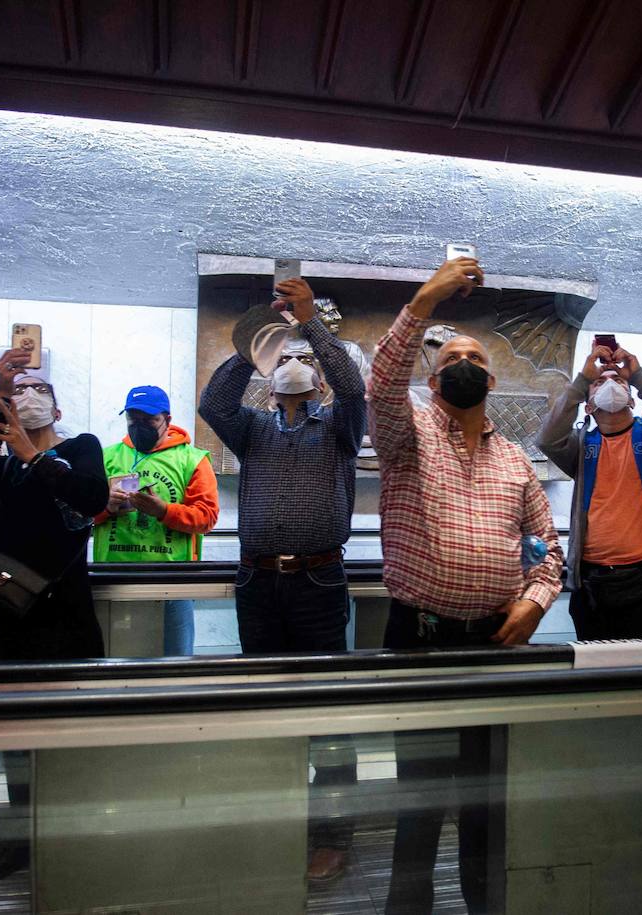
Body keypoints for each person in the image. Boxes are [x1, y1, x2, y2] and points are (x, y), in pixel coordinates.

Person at [369, 257, 564, 914]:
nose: (466, 361)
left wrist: (536, 601)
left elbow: (547, 550)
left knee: (486, 798)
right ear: (433, 374)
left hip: (494, 644)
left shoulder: (515, 459)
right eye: (452, 354)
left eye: (476, 355)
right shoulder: (407, 431)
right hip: (419, 641)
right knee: (418, 802)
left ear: (491, 376)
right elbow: (381, 384)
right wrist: (426, 299)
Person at [199, 275, 366, 883]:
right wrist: (253, 347)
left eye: (304, 361)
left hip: (319, 581)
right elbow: (214, 405)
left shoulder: (340, 428)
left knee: (328, 710)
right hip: (257, 582)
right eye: (285, 359)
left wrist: (311, 331)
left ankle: (332, 833)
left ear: (318, 373)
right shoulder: (254, 429)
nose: (294, 365)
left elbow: (352, 386)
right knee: (266, 705)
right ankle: (275, 820)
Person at [0, 348, 109, 883]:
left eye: (38, 390)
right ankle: (19, 835)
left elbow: (91, 496)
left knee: (70, 721)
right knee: (12, 724)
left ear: (58, 407)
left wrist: (33, 454)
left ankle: (73, 830)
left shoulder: (81, 447)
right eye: (20, 393)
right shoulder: (4, 464)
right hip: (6, 606)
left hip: (64, 607)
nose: (29, 397)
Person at [538, 342, 642, 639]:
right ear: (588, 405)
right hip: (592, 584)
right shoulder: (580, 447)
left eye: (618, 381)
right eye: (600, 383)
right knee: (598, 671)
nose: (610, 384)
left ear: (631, 400)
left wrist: (638, 376)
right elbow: (548, 438)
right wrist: (582, 381)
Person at [92, 384, 219, 656]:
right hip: (114, 576)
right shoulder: (108, 457)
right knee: (115, 656)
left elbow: (207, 517)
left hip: (173, 578)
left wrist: (163, 511)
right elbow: (81, 514)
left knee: (175, 659)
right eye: (132, 419)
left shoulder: (192, 460)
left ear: (167, 420)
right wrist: (106, 506)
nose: (140, 426)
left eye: (149, 420)